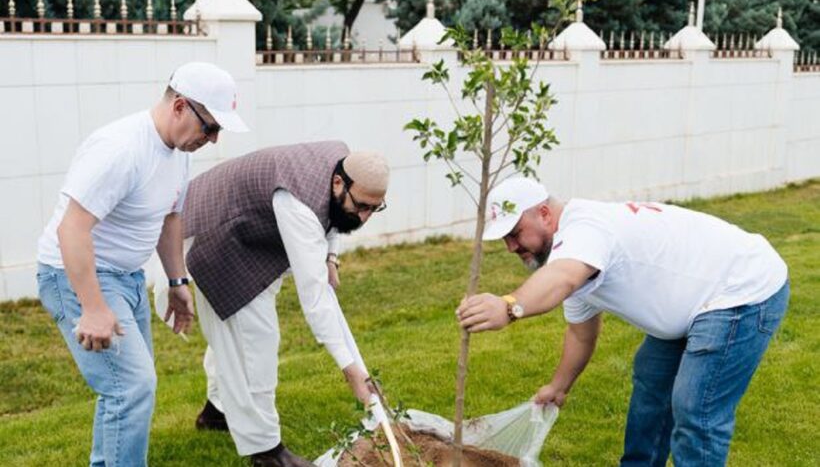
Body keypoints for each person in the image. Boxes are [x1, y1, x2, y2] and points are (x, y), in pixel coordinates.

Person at [456, 177, 789, 466]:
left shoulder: (584, 229)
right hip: (695, 298)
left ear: (544, 214)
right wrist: (559, 387)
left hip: (739, 289)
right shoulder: (568, 253)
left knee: (694, 407)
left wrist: (509, 306)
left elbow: (563, 278)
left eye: (515, 233)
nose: (511, 246)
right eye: (505, 239)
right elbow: (581, 333)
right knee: (651, 385)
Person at [36, 61, 249, 466]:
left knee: (127, 391)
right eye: (211, 127)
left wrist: (176, 280)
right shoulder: (121, 149)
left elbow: (170, 217)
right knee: (131, 387)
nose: (215, 139)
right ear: (181, 106)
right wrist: (94, 307)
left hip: (127, 277)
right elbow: (72, 229)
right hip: (76, 275)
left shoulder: (178, 151)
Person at [181, 141, 389, 467]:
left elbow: (335, 216)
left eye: (375, 209)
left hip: (255, 237)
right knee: (256, 342)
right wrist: (351, 371)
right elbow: (315, 299)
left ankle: (216, 412)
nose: (364, 218)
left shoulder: (343, 163)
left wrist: (331, 257)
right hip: (216, 237)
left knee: (240, 337)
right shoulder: (298, 205)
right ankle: (266, 452)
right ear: (338, 183)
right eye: (361, 206)